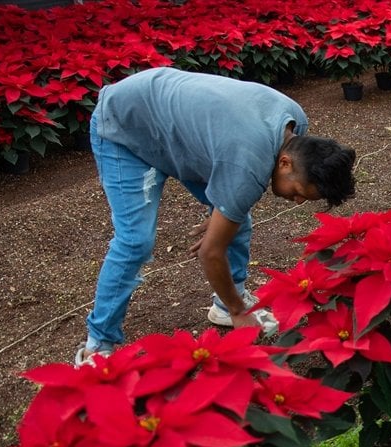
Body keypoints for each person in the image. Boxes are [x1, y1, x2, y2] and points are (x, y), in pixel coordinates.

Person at [76, 66, 357, 366]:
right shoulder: (247, 163)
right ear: (285, 162)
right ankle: (97, 345)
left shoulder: (294, 123)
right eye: (300, 191)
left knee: (235, 218)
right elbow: (211, 252)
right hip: (125, 125)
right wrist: (241, 313)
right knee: (135, 241)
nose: (298, 201)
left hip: (174, 129)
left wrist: (226, 207)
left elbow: (232, 167)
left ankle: (225, 302)